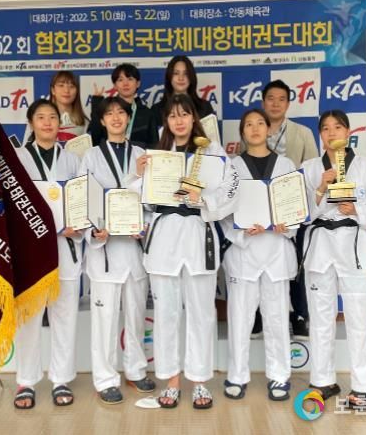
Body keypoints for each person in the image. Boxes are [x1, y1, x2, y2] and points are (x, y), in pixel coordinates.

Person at [131, 94, 239, 410]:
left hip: (197, 234)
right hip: (164, 236)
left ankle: (200, 380)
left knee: (201, 312)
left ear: (194, 118)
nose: (179, 120)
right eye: (173, 115)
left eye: (184, 114)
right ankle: (172, 380)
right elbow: (138, 200)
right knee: (166, 314)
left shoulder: (213, 153)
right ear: (166, 121)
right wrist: (138, 176)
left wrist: (202, 199)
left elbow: (231, 192)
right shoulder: (157, 155)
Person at [301, 109, 366, 408]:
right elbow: (298, 213)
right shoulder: (310, 168)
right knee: (320, 318)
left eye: (337, 127)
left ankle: (363, 386)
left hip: (354, 244)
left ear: (348, 133)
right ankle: (323, 380)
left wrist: (357, 210)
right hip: (321, 247)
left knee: (360, 318)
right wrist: (320, 188)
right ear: (320, 135)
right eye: (325, 128)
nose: (331, 133)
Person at [78, 97, 155, 404]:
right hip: (105, 252)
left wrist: (144, 226)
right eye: (109, 113)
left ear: (128, 117)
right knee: (105, 321)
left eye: (121, 112)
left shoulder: (141, 154)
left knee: (135, 318)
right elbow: (83, 199)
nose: (116, 117)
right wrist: (94, 231)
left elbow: (150, 198)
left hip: (133, 250)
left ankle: (136, 370)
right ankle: (106, 379)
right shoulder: (91, 156)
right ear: (101, 121)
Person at [220, 109, 297, 401]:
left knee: (276, 318)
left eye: (260, 123)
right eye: (249, 124)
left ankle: (279, 376)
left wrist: (287, 226)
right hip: (245, 252)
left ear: (269, 129)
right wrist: (240, 233)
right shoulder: (232, 167)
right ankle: (237, 376)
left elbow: (295, 205)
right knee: (239, 319)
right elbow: (224, 212)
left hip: (276, 250)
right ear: (242, 132)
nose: (255, 128)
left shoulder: (286, 165)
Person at [13, 99, 83, 409]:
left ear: (59, 123)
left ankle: (61, 378)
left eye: (52, 117)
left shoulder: (72, 160)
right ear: (31, 123)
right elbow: (11, 204)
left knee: (64, 316)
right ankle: (26, 381)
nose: (47, 122)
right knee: (28, 319)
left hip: (65, 247)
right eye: (40, 117)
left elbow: (81, 199)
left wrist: (79, 224)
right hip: (31, 250)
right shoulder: (17, 158)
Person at [255, 79, 319, 339]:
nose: (275, 103)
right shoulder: (255, 129)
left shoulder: (302, 132)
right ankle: (258, 315)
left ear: (288, 104)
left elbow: (312, 170)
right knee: (259, 261)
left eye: (281, 99)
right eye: (271, 98)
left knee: (297, 262)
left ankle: (299, 315)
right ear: (263, 102)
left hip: (292, 207)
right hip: (260, 209)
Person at [88, 63, 158, 148]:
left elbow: (154, 145)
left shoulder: (147, 114)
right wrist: (97, 104)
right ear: (115, 85)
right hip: (107, 155)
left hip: (139, 156)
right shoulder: (105, 109)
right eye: (120, 80)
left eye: (130, 79)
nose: (125, 84)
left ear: (138, 83)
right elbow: (94, 139)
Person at [23, 71, 89, 145]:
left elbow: (87, 150)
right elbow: (26, 147)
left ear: (77, 91)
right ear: (53, 90)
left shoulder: (84, 122)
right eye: (61, 85)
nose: (66, 90)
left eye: (71, 86)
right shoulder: (38, 117)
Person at [151, 55, 214, 126]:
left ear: (191, 77)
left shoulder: (204, 107)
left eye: (186, 74)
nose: (181, 78)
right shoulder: (157, 110)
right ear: (169, 77)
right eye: (176, 73)